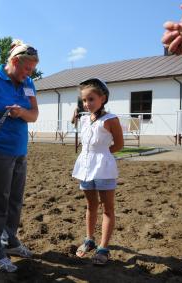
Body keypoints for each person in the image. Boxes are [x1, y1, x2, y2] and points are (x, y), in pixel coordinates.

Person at [0, 39, 39, 272]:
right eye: (27, 68)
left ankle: (10, 241)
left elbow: (34, 115)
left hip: (20, 150)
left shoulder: (28, 83)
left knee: (15, 200)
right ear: (14, 61)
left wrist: (21, 112)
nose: (29, 74)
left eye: (32, 70)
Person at [72, 78, 124, 265]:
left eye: (91, 99)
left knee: (107, 208)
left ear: (103, 98)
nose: (87, 104)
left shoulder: (111, 119)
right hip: (85, 167)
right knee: (90, 205)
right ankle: (89, 239)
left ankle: (103, 248)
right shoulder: (85, 118)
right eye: (84, 100)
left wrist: (103, 155)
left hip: (103, 168)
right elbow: (77, 122)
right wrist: (77, 113)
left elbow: (119, 144)